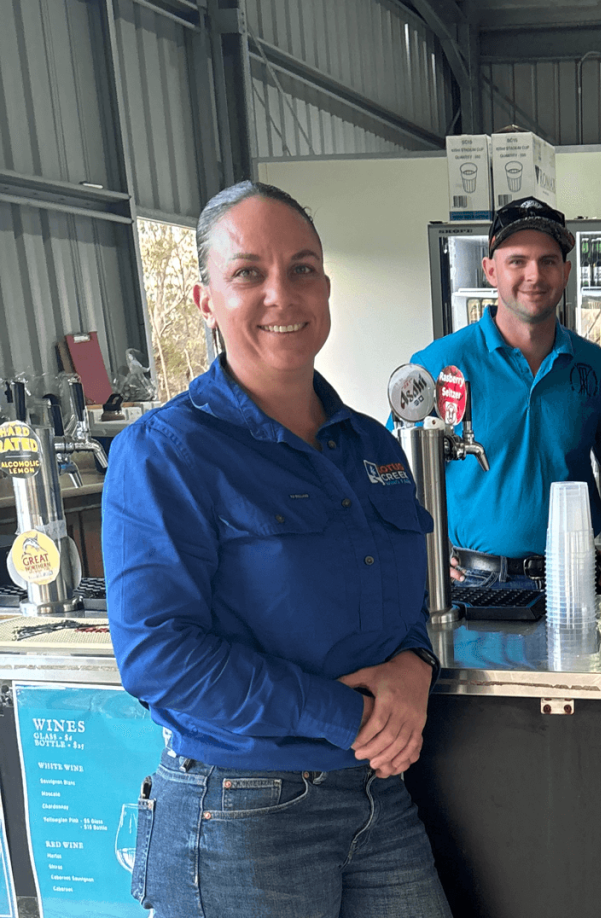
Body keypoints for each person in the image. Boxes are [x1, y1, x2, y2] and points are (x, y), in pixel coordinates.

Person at [102, 181, 452, 918]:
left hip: (376, 798)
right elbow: (158, 654)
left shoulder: (369, 443)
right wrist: (345, 717)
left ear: (325, 286)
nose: (280, 295)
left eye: (301, 269)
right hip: (241, 812)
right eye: (247, 273)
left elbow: (398, 601)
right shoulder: (167, 452)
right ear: (205, 300)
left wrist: (415, 665)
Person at [405, 196, 601, 593]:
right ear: (491, 271)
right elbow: (398, 469)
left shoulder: (596, 367)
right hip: (469, 585)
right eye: (517, 261)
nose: (535, 275)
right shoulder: (439, 363)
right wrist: (422, 544)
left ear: (565, 272)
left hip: (576, 579)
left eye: (548, 261)